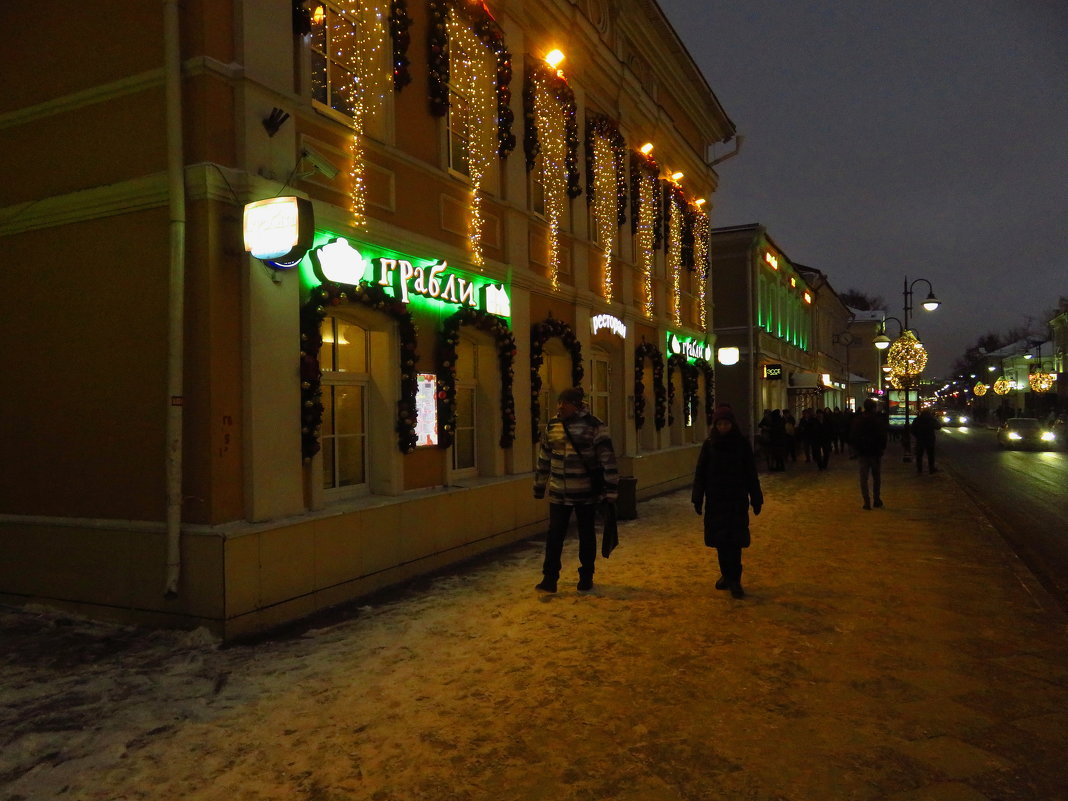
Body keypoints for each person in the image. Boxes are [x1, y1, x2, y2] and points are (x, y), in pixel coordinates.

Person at [533, 387, 619, 593]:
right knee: (554, 536)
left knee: (586, 534)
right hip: (558, 492)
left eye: (566, 402)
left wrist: (611, 490)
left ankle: (586, 575)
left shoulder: (594, 425)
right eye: (559, 402)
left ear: (578, 404)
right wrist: (540, 483)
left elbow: (607, 459)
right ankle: (550, 577)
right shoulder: (553, 425)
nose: (561, 406)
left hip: (584, 492)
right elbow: (545, 455)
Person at [691, 407, 763, 598]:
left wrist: (756, 498)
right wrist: (697, 498)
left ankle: (735, 580)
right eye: (720, 424)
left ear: (732, 424)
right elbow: (701, 473)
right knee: (721, 542)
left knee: (735, 541)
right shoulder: (709, 445)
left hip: (736, 500)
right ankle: (726, 575)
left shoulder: (741, 444)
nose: (723, 427)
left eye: (726, 423)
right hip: (716, 501)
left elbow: (750, 473)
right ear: (715, 425)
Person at [849, 398, 887, 510]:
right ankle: (876, 499)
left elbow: (853, 436)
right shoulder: (877, 420)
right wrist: (882, 448)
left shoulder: (858, 420)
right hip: (875, 453)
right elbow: (882, 436)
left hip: (863, 453)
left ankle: (866, 502)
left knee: (863, 478)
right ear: (874, 408)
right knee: (876, 477)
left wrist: (857, 449)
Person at [911, 409, 941, 473]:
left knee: (919, 455)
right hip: (929, 439)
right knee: (930, 455)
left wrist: (917, 436)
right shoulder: (931, 419)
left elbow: (912, 429)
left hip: (920, 439)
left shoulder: (917, 419)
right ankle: (931, 469)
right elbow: (938, 427)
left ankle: (919, 469)